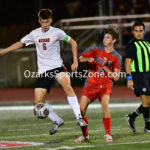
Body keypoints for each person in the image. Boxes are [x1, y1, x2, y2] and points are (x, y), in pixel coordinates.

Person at [0, 9, 87, 135]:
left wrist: (75, 61)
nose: (45, 25)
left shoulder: (57, 32)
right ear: (39, 21)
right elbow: (20, 43)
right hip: (43, 71)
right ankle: (57, 120)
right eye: (42, 22)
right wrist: (3, 51)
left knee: (66, 84)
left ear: (51, 20)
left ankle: (79, 117)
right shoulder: (34, 34)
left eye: (47, 22)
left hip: (57, 67)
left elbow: (73, 42)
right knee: (38, 102)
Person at [74, 26, 122, 143]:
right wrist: (88, 59)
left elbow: (116, 77)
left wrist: (105, 66)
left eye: (107, 37)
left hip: (105, 86)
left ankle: (108, 134)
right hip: (90, 84)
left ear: (113, 41)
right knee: (81, 110)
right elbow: (80, 58)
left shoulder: (117, 57)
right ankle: (85, 135)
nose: (104, 39)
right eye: (104, 37)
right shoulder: (95, 49)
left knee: (105, 105)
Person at [124, 21, 150, 133]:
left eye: (140, 31)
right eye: (136, 31)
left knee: (148, 101)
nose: (138, 33)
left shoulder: (148, 44)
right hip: (139, 75)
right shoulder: (132, 45)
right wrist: (129, 78)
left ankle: (132, 117)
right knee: (146, 101)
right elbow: (127, 62)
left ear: (144, 31)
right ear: (133, 32)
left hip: (148, 75)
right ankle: (148, 127)